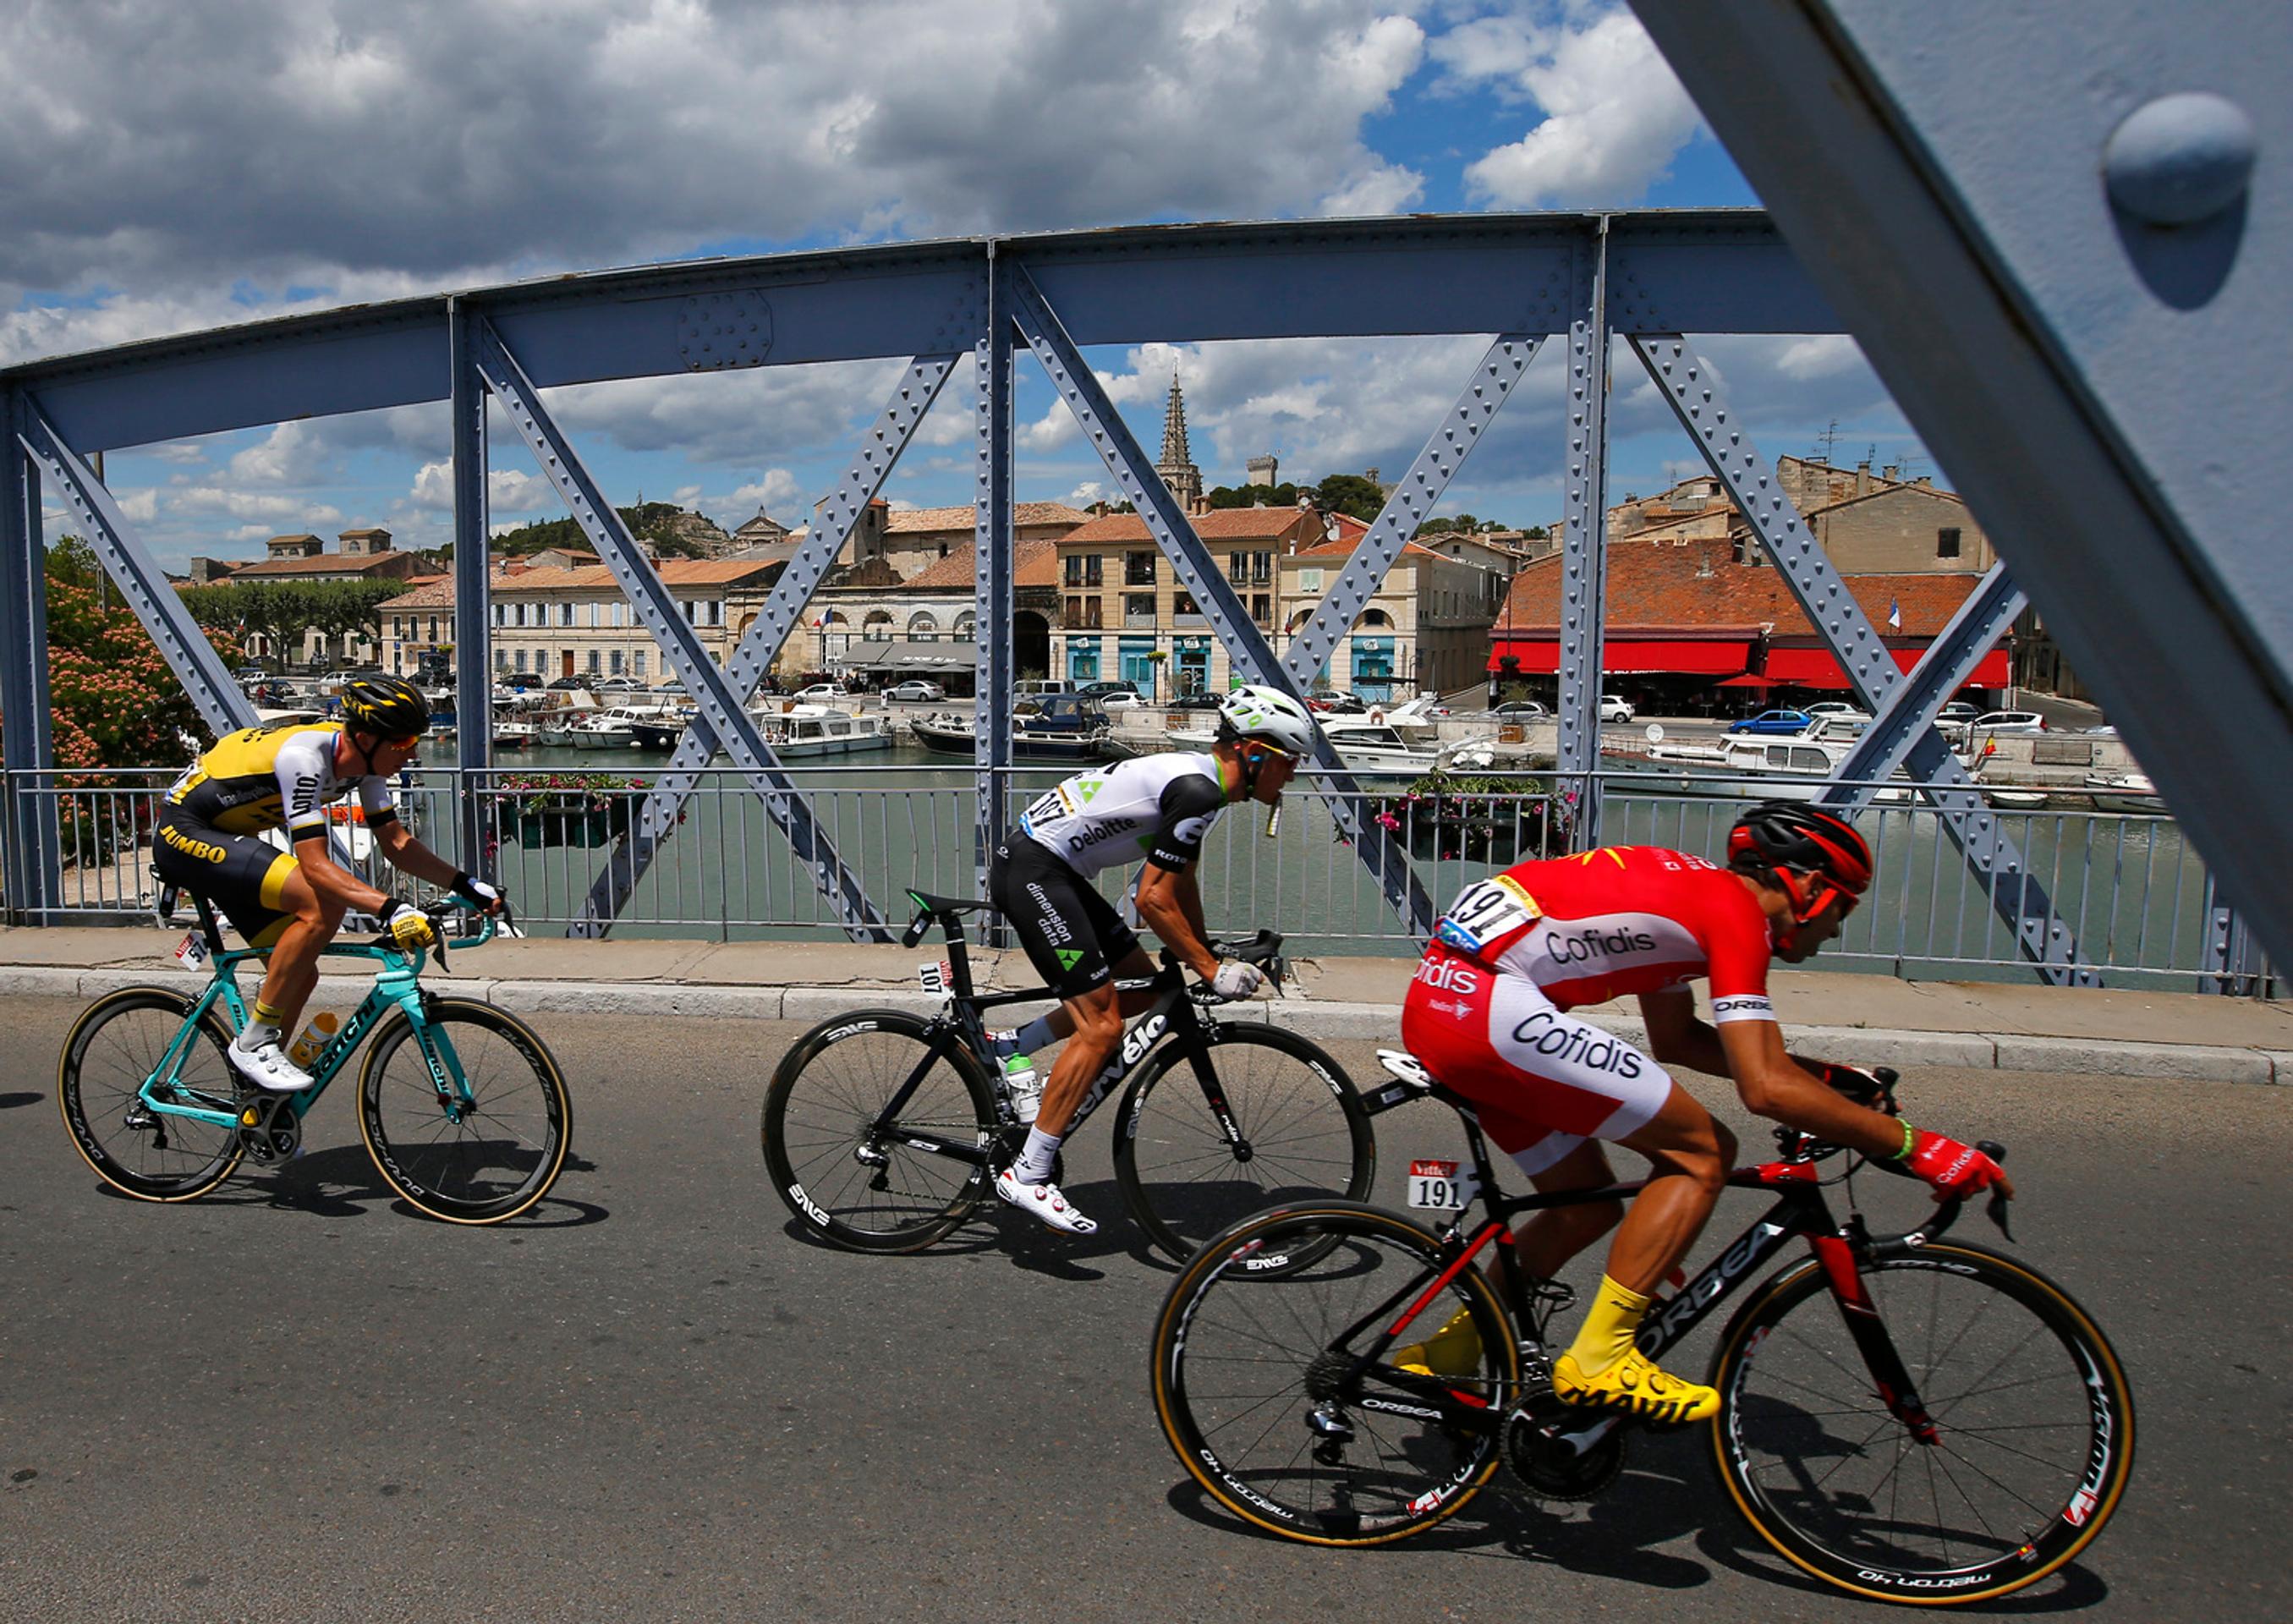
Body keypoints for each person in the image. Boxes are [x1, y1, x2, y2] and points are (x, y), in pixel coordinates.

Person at [1396, 801, 2011, 1424]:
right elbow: (1765, 1089)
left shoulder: (1691, 896)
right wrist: (1913, 1145)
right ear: (1810, 888)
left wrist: (1830, 1080)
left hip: (1444, 1005)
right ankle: (1601, 1357)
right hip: (1489, 1013)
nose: (1836, 931)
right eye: (1844, 908)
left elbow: (1678, 1040)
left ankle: (1451, 1349)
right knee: (1702, 1153)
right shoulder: (1737, 915)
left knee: (1585, 1207)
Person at [984, 683, 1317, 1234]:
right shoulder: (1198, 791)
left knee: (1146, 988)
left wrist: (1206, 952)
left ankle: (1012, 1046)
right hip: (1035, 870)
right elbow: (1152, 899)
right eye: (1290, 761)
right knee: (1101, 1027)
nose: (1293, 775)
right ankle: (1028, 1172)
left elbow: (1181, 883)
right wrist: (1211, 971)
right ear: (1256, 753)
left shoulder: (1203, 788)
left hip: (1054, 870)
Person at [151, 676, 502, 1093]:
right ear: (366, 739)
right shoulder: (304, 758)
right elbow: (316, 868)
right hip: (185, 832)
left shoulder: (367, 767)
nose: (412, 754)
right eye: (404, 743)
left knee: (301, 974)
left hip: (229, 840)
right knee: (321, 904)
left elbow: (396, 844)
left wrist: (466, 884)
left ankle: (258, 1098)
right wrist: (392, 909)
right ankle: (254, 1044)